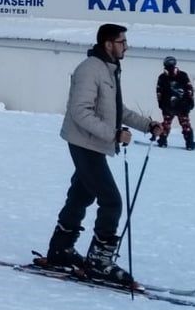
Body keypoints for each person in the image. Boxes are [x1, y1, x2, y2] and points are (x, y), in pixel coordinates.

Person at [44, 24, 161, 285]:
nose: (126, 46)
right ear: (108, 44)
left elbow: (119, 110)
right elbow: (80, 111)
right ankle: (99, 261)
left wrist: (148, 125)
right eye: (122, 42)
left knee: (80, 195)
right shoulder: (90, 70)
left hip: (93, 142)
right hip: (85, 143)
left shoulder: (109, 70)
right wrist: (113, 134)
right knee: (111, 201)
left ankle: (60, 249)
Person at [155, 56, 195, 150]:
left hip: (171, 106)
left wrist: (160, 103)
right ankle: (189, 144)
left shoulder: (163, 77)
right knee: (185, 125)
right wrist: (191, 101)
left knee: (166, 124)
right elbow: (189, 89)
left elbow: (159, 92)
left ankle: (163, 141)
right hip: (180, 106)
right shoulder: (182, 75)